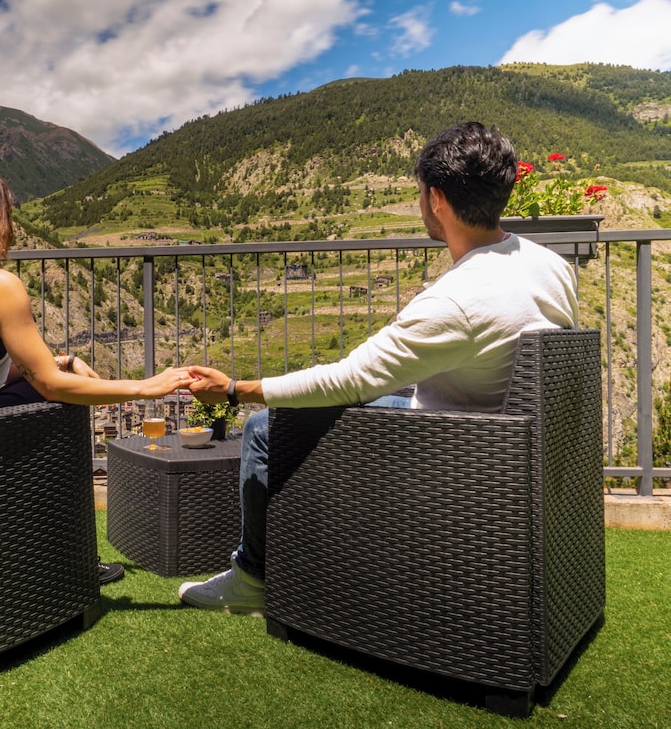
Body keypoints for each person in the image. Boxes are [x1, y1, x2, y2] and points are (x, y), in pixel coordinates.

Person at [180, 122, 578, 615]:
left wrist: (235, 389)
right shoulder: (549, 264)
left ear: (436, 199)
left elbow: (348, 378)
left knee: (264, 428)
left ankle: (253, 577)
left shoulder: (457, 300)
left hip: (452, 456)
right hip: (509, 449)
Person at [0, 167, 194, 585]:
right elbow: (49, 385)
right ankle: (67, 557)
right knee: (62, 399)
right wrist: (145, 387)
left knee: (46, 385)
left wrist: (61, 362)